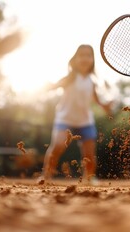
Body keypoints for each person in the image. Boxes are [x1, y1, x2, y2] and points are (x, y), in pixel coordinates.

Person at [40, 44, 112, 183]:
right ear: (75, 59)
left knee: (90, 154)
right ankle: (46, 176)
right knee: (57, 146)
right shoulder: (70, 78)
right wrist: (48, 86)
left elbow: (97, 100)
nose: (85, 58)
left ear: (93, 60)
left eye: (88, 55)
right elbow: (54, 86)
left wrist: (105, 106)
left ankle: (89, 178)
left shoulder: (92, 82)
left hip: (86, 122)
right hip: (65, 119)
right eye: (81, 55)